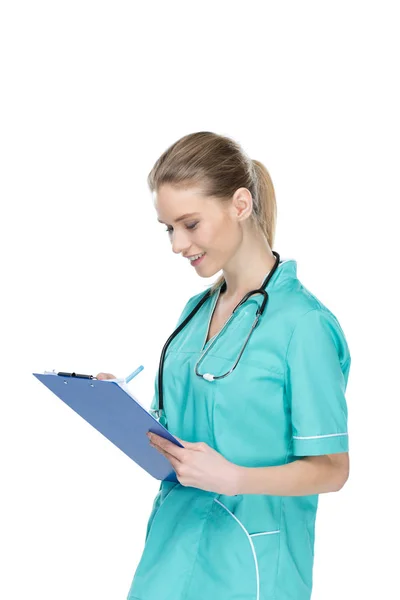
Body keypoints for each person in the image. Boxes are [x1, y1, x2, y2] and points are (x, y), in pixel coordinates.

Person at [97, 131, 351, 600]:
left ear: (240, 204)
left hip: (249, 566)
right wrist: (119, 409)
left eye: (190, 224)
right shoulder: (194, 314)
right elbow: (176, 435)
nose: (177, 244)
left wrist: (235, 478)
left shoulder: (304, 325)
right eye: (168, 228)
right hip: (169, 554)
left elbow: (332, 468)